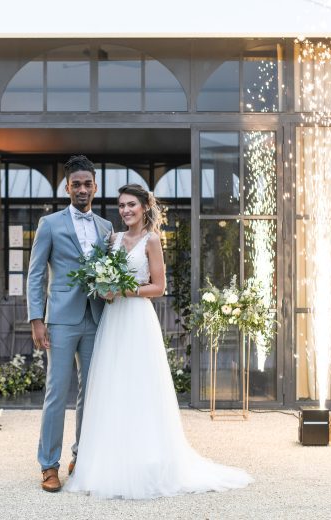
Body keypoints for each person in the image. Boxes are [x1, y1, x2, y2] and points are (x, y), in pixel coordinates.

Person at [64, 184, 253, 499]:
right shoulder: (112, 240)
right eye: (122, 205)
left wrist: (123, 289)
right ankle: (109, 461)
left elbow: (159, 287)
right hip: (113, 321)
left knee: (141, 385)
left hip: (137, 318)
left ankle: (147, 460)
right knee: (113, 385)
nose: (126, 211)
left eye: (132, 205)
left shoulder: (152, 241)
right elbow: (99, 277)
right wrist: (103, 285)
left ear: (144, 208)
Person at [26, 155, 113, 493]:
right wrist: (37, 319)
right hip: (60, 320)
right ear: (67, 187)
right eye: (75, 183)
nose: (81, 189)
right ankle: (49, 465)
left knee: (92, 394)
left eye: (87, 183)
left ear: (95, 187)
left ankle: (83, 455)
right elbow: (35, 274)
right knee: (56, 393)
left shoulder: (106, 228)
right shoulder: (49, 224)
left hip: (96, 318)